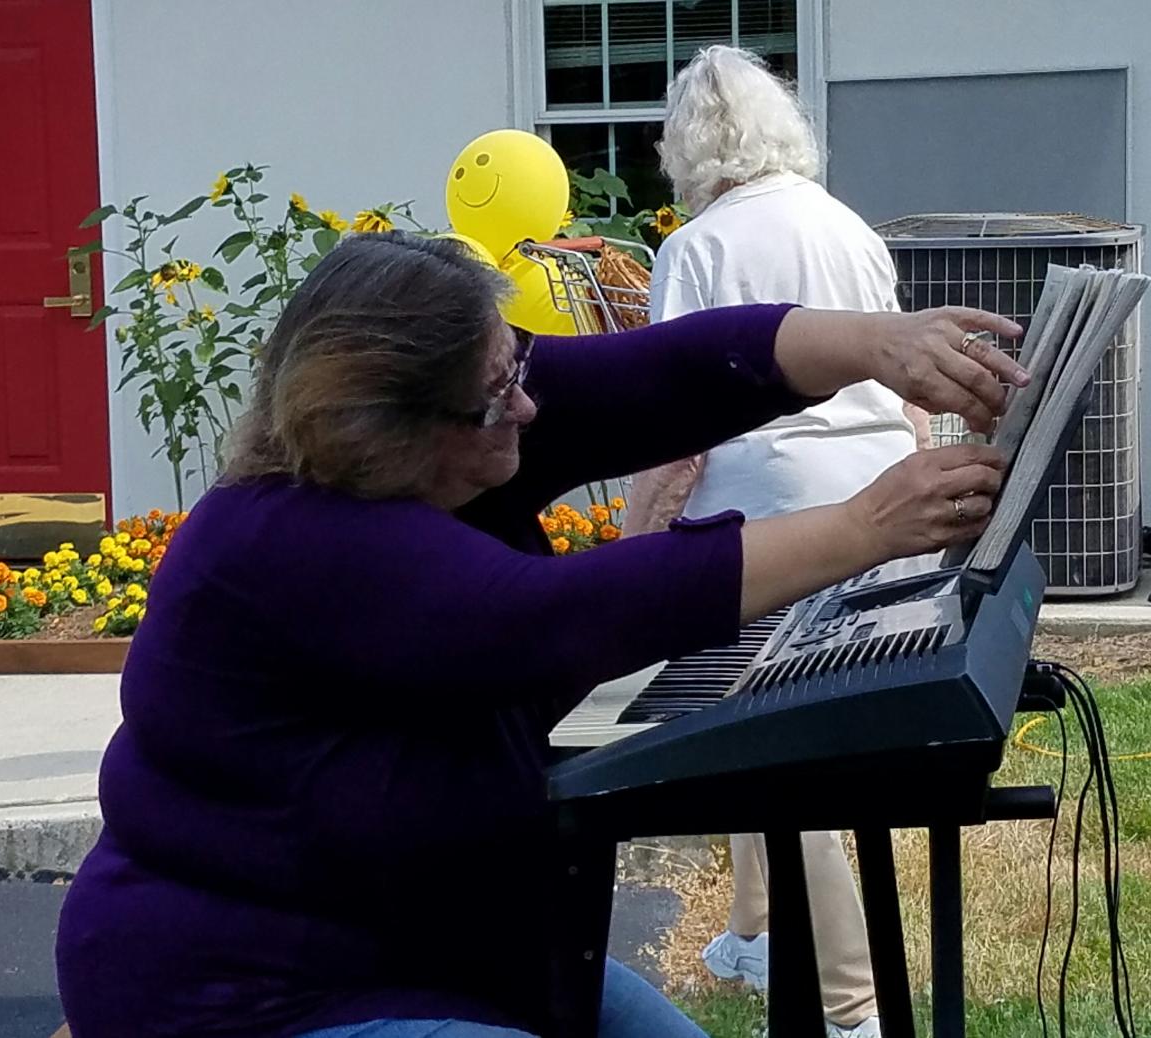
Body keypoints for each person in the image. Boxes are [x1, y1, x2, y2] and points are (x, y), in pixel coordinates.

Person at [55, 231, 1025, 1038]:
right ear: (383, 431)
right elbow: (551, 619)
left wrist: (878, 343)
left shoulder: (462, 425)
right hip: (250, 994)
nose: (526, 402)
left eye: (514, 365)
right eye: (496, 395)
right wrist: (863, 527)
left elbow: (668, 372)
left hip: (442, 945)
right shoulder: (287, 540)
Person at [623, 44, 941, 1038]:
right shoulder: (848, 228)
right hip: (886, 498)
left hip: (768, 518)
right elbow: (911, 393)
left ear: (685, 147)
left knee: (773, 750)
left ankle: (850, 1008)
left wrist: (631, 542)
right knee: (761, 729)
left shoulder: (694, 248)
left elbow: (674, 429)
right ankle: (755, 933)